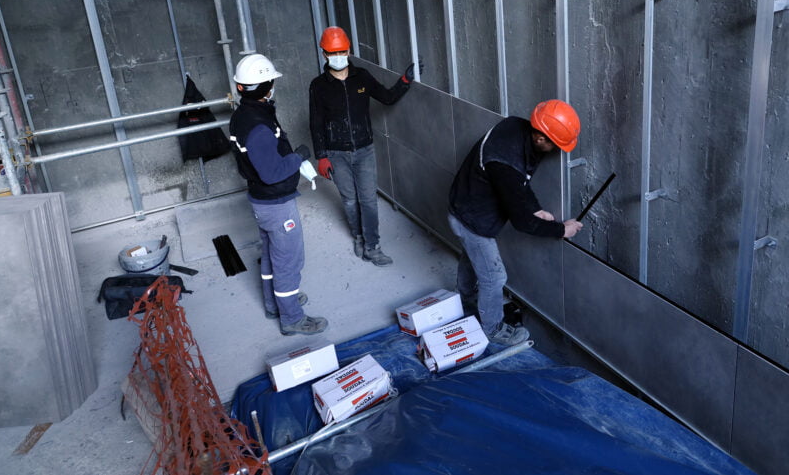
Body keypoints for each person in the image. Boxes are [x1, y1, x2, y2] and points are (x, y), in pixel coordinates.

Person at [448, 99, 584, 346]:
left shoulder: (516, 128)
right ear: (541, 138)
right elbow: (522, 222)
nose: (557, 150)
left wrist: (535, 209)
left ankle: (466, 300)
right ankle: (493, 329)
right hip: (472, 220)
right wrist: (561, 229)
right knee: (494, 277)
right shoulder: (504, 162)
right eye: (556, 145)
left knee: (472, 258)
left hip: (464, 206)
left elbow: (522, 183)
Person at [228, 53, 327, 336]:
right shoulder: (257, 125)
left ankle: (274, 305)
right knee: (289, 260)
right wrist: (298, 158)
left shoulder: (245, 115)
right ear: (265, 86)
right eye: (270, 81)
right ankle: (292, 318)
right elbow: (271, 172)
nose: (273, 85)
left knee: (272, 255)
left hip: (262, 200)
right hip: (275, 203)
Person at [308, 27, 423, 266]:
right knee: (350, 200)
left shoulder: (362, 77)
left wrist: (405, 80)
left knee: (368, 200)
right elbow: (316, 121)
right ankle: (358, 237)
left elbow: (387, 98)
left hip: (364, 150)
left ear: (348, 50)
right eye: (332, 52)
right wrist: (321, 156)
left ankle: (373, 247)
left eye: (341, 51)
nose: (338, 56)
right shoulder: (318, 86)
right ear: (324, 54)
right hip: (336, 153)